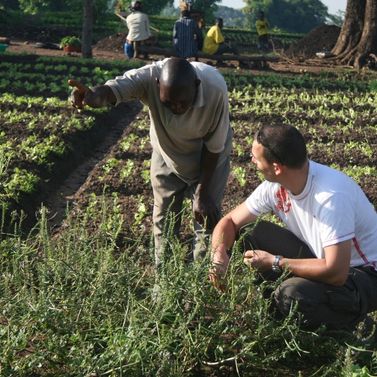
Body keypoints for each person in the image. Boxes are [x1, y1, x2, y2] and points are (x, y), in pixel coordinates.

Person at [68, 57, 232, 269]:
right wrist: (94, 97)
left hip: (208, 158)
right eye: (169, 102)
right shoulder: (149, 76)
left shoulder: (215, 89)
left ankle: (198, 285)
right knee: (164, 220)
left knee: (206, 222)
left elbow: (214, 148)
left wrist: (202, 192)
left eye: (183, 102)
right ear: (157, 86)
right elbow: (115, 89)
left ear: (196, 87)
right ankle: (164, 284)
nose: (176, 108)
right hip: (167, 153)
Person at [210, 123, 377, 331]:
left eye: (255, 157)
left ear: (277, 167)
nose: (251, 160)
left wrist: (276, 262)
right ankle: (275, 314)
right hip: (324, 259)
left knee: (291, 295)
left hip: (364, 274)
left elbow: (336, 272)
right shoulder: (276, 185)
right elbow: (230, 222)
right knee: (249, 233)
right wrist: (219, 253)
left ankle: (355, 327)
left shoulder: (330, 197)